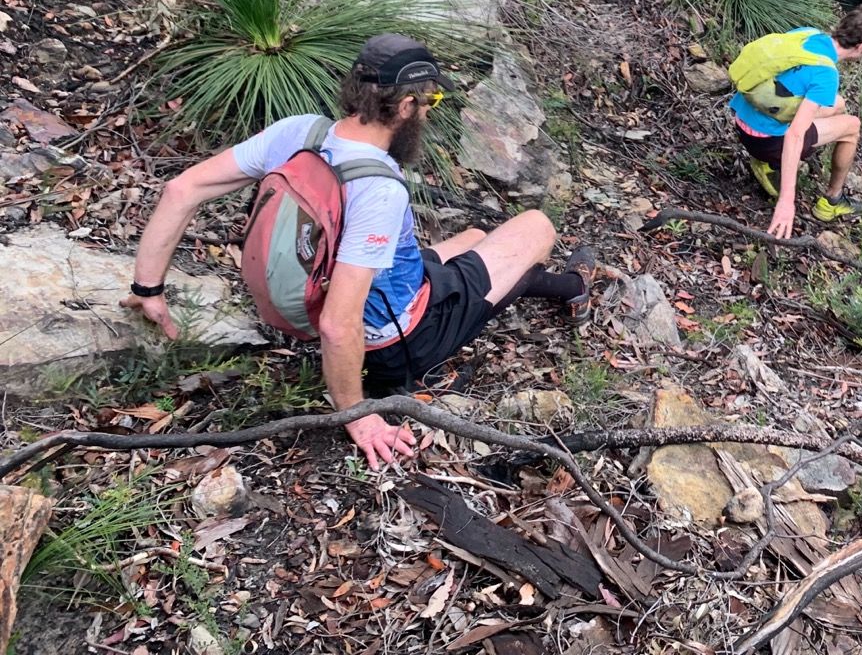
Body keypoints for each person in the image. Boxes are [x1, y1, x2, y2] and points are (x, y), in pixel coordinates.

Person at [121, 34, 596, 469]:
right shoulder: (378, 189)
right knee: (536, 227)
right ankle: (568, 285)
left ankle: (563, 287)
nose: (430, 111)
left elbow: (182, 190)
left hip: (329, 294)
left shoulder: (300, 133)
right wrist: (358, 414)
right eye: (430, 100)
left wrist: (148, 287)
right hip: (398, 341)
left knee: (474, 237)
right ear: (407, 105)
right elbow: (338, 324)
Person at [730, 6, 862, 239]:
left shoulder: (808, 33)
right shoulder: (826, 74)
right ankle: (831, 201)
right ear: (861, 47)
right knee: (852, 126)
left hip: (742, 119)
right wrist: (786, 201)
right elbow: (795, 135)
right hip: (766, 142)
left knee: (839, 103)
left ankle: (768, 162)